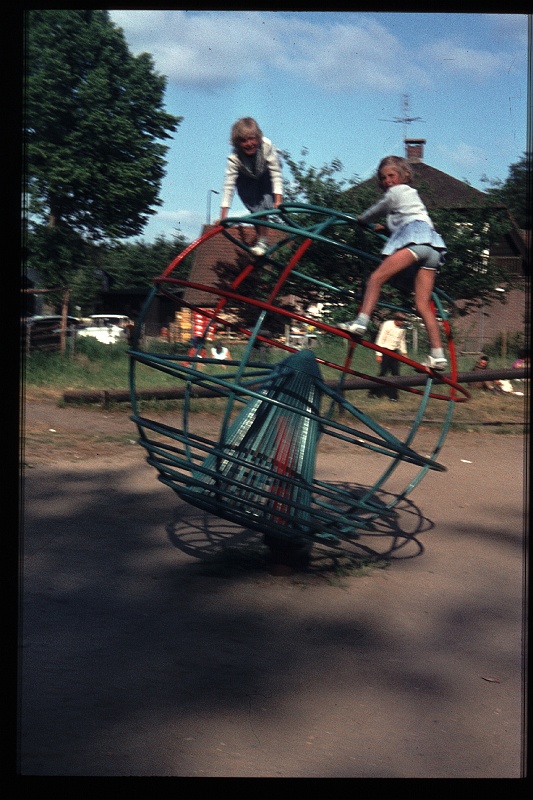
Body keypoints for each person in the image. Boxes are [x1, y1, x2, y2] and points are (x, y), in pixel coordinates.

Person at [339, 155, 448, 371]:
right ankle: (437, 355)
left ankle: (360, 322)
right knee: (423, 305)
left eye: (392, 175)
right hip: (433, 247)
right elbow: (407, 217)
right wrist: (386, 228)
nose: (387, 180)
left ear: (404, 176)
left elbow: (379, 208)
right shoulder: (411, 196)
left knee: (376, 278)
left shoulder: (396, 192)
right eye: (383, 178)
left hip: (416, 240)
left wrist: (362, 220)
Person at [217, 117, 283, 256]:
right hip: (246, 176)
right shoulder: (234, 157)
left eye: (252, 139)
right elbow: (229, 185)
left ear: (258, 137)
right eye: (243, 141)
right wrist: (223, 216)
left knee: (264, 205)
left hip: (266, 172)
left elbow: (276, 173)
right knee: (254, 207)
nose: (249, 144)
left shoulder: (267, 146)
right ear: (236, 143)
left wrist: (278, 200)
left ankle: (262, 241)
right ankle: (261, 241)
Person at [368, 312, 408, 401]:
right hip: (385, 351)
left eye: (404, 321)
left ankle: (393, 396)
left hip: (395, 352)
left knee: (396, 374)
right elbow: (380, 338)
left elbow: (401, 340)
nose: (403, 323)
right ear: (396, 320)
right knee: (383, 373)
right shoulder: (387, 325)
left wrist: (404, 352)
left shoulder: (402, 329)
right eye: (401, 321)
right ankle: (373, 392)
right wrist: (379, 354)